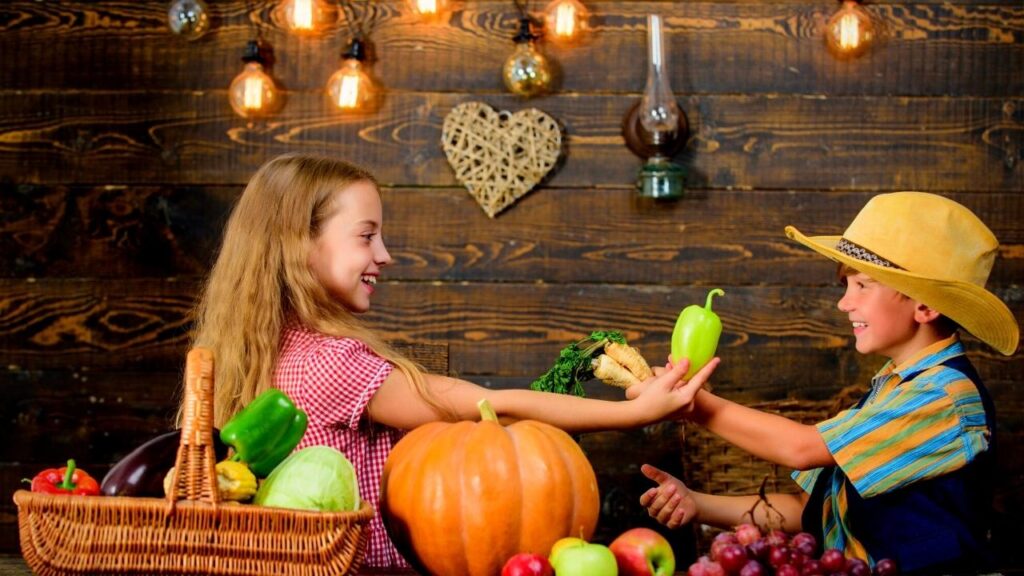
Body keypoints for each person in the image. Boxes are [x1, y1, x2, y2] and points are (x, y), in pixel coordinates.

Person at [183, 153, 719, 568]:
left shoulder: (271, 350)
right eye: (367, 236)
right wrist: (633, 412)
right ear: (298, 244)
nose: (385, 254)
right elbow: (489, 410)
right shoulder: (332, 362)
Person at [635, 192, 1019, 573]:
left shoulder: (944, 396)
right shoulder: (890, 390)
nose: (844, 303)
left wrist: (693, 404)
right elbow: (807, 512)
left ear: (925, 305)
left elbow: (801, 448)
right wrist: (697, 503)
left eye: (863, 286)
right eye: (845, 286)